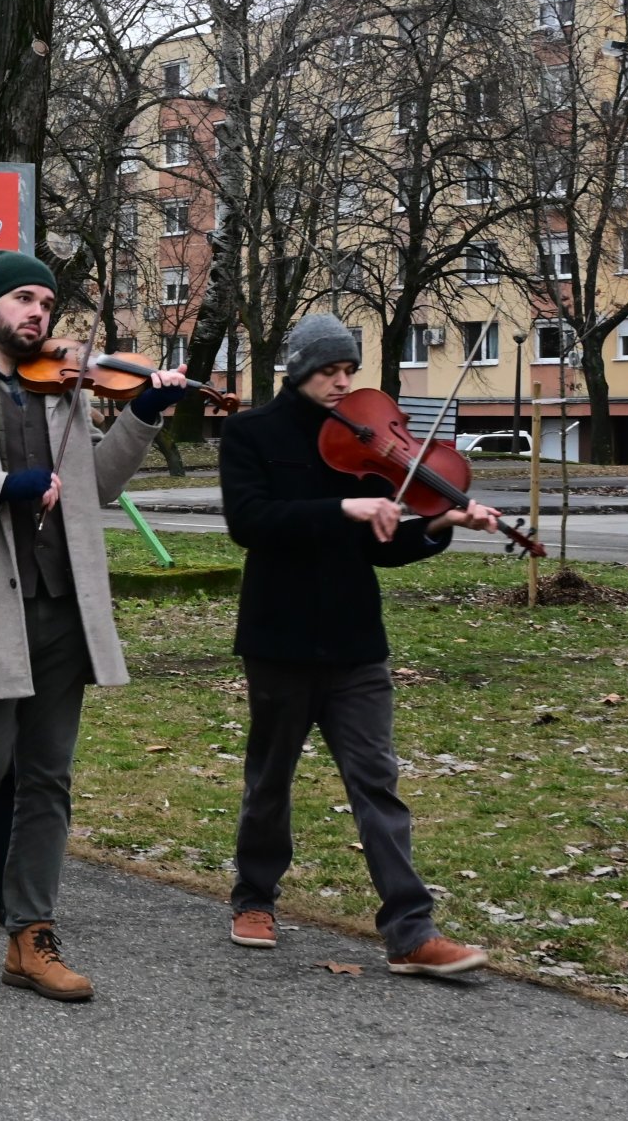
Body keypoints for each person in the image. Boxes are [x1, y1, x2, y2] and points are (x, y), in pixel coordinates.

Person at [0, 251, 188, 1003]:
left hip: (61, 608)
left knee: (48, 777)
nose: (38, 314)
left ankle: (30, 936)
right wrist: (1, 488)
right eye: (24, 299)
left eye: (47, 303)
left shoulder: (65, 390)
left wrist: (142, 415)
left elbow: (95, 487)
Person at [219, 312, 499, 978]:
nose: (342, 382)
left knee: (377, 783)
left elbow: (384, 546)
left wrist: (439, 524)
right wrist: (342, 509)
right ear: (299, 369)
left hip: (355, 642)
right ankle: (254, 897)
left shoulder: (366, 440)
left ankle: (411, 932)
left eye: (349, 369)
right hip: (279, 637)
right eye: (329, 370)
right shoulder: (251, 433)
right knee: (270, 780)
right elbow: (250, 522)